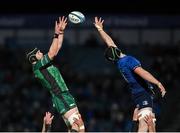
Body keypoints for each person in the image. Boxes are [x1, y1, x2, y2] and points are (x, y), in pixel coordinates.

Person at [94, 16, 166, 132]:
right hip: (143, 94)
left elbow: (109, 42)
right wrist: (158, 83)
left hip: (137, 94)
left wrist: (100, 30)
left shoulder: (119, 62)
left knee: (150, 123)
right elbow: (143, 73)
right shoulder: (128, 61)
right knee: (144, 125)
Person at [26, 16, 85, 132]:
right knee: (77, 126)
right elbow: (52, 53)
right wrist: (56, 34)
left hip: (62, 95)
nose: (41, 52)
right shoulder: (38, 66)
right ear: (34, 58)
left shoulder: (41, 65)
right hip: (61, 95)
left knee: (72, 127)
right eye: (38, 52)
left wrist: (61, 32)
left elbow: (56, 48)